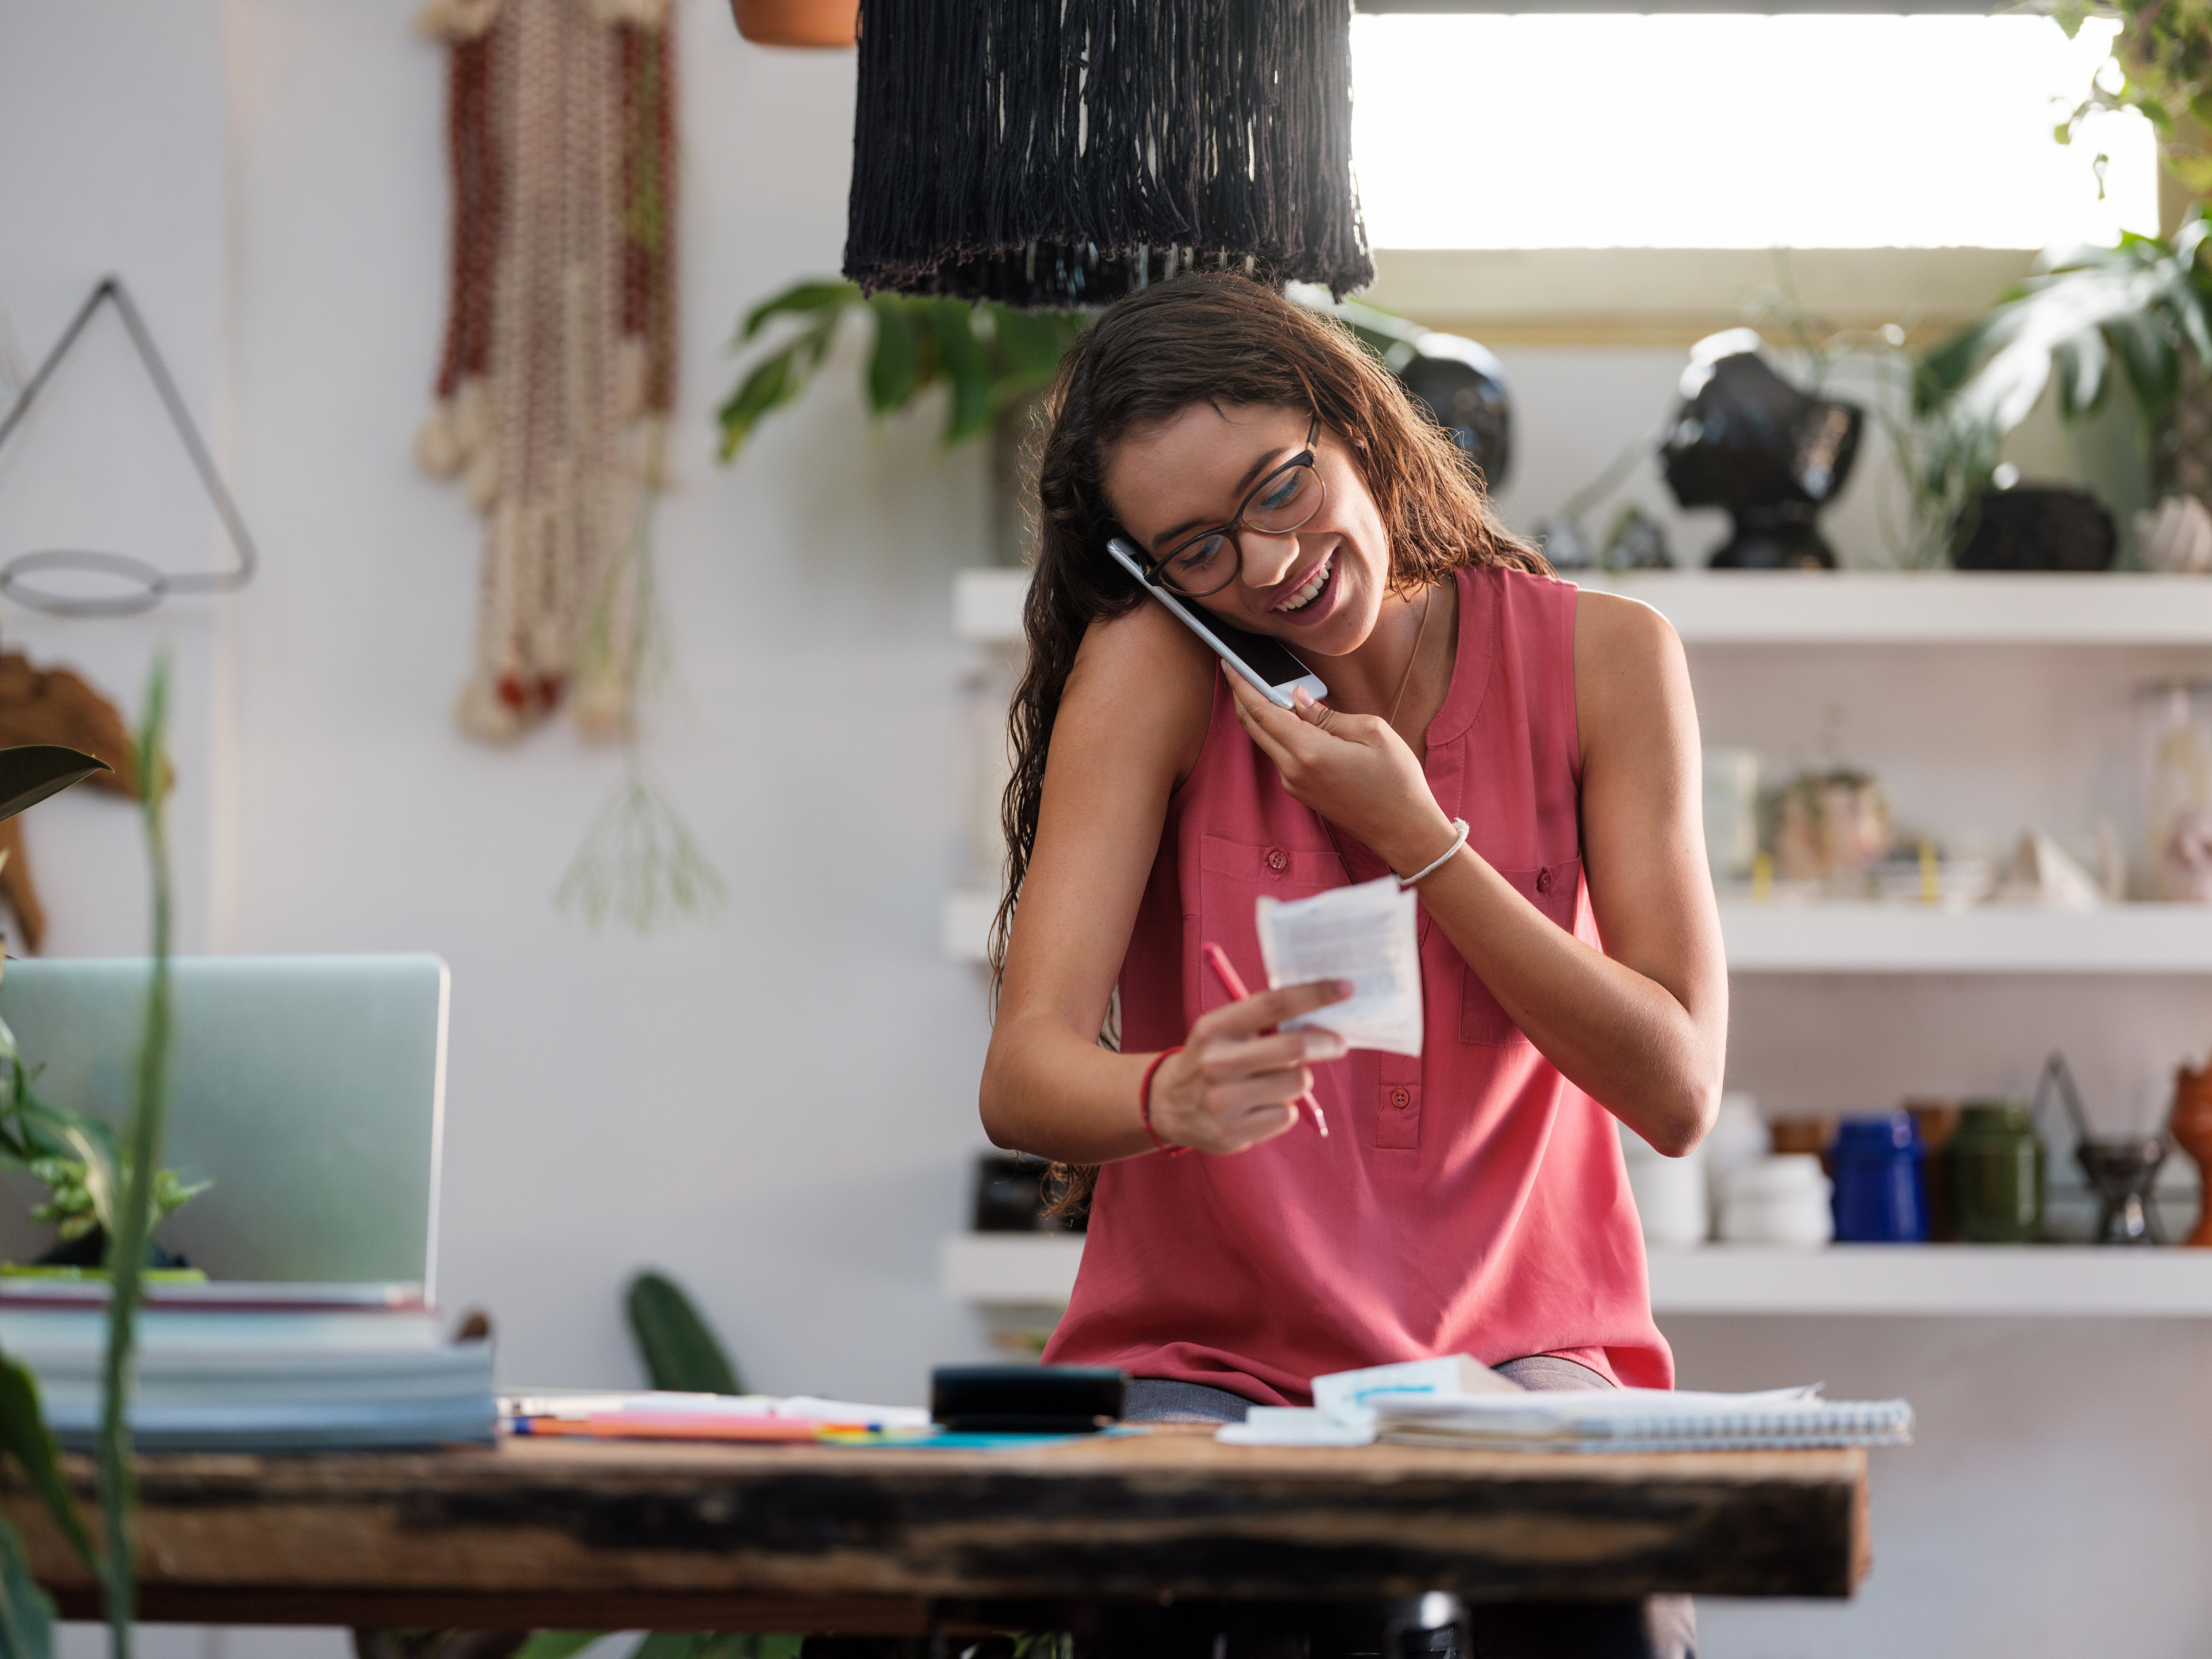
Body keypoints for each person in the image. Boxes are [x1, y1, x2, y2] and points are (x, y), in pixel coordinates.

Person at [978, 275, 1724, 1657]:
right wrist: (1167, 1098)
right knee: (1198, 1595)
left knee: (1603, 1605)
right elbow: (1022, 1077)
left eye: (1277, 490)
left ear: (1355, 426)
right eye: (1195, 548)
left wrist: (1424, 845)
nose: (1264, 566)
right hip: (1204, 1368)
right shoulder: (1156, 674)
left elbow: (1677, 1092)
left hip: (1519, 1355)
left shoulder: (1610, 659)